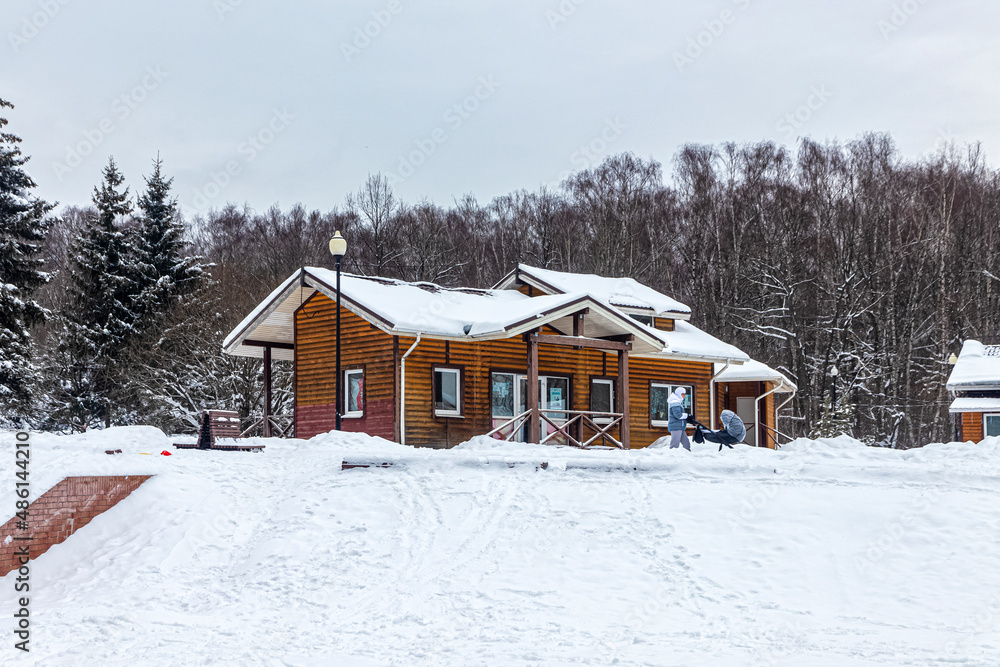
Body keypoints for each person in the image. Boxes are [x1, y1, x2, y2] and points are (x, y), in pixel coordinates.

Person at [667, 387, 691, 451]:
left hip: (680, 427)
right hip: (675, 427)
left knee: (686, 444)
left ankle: (688, 457)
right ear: (679, 394)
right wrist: (687, 416)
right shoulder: (674, 402)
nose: (684, 396)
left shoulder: (678, 402)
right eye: (683, 394)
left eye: (685, 394)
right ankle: (672, 458)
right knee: (674, 445)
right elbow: (678, 415)